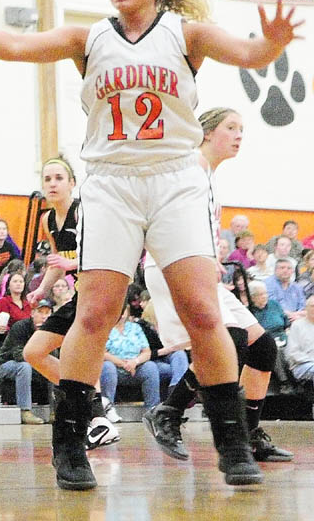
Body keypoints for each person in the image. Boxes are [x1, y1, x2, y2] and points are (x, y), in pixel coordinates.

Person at [0, 0, 301, 488]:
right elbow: (18, 44)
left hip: (174, 178)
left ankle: (233, 443)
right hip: (112, 182)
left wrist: (275, 43)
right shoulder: (88, 37)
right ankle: (69, 444)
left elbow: (249, 52)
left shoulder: (186, 34)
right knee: (94, 313)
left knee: (202, 311)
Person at [143, 108, 292, 464]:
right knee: (231, 340)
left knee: (263, 347)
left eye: (242, 129)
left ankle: (249, 434)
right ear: (207, 132)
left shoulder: (207, 174)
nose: (239, 135)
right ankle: (168, 412)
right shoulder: (188, 168)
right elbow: (157, 217)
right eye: (231, 128)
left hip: (198, 266)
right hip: (171, 266)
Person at [21, 157, 118, 450]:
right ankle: (95, 406)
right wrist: (41, 290)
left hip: (101, 293)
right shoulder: (48, 220)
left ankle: (98, 416)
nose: (52, 183)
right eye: (47, 179)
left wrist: (70, 261)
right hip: (80, 296)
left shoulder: (84, 212)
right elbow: (57, 263)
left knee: (82, 357)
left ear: (72, 184)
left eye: (58, 178)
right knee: (33, 352)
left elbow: (105, 254)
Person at [0, 300, 52, 424]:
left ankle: (54, 410)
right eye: (40, 312)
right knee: (24, 367)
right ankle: (25, 411)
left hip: (33, 365)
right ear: (32, 313)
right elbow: (18, 355)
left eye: (47, 312)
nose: (44, 316)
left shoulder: (51, 330)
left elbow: (54, 355)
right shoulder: (20, 327)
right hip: (6, 364)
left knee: (54, 366)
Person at [100, 303, 161, 411]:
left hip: (135, 367)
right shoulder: (105, 327)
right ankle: (108, 409)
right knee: (107, 367)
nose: (121, 314)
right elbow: (101, 353)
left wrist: (135, 362)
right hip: (115, 367)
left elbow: (147, 352)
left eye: (124, 311)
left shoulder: (135, 328)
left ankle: (152, 409)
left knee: (150, 367)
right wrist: (123, 363)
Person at [283, 296, 314, 385]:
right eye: (312, 306)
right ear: (306, 309)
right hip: (302, 365)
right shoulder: (297, 326)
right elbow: (293, 353)